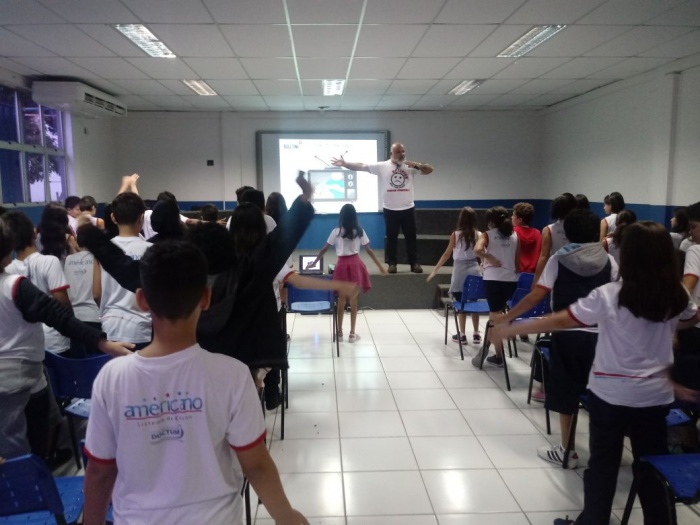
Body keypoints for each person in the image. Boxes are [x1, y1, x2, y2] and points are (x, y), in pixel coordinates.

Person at [82, 241, 308, 525]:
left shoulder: (111, 379)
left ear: (141, 299)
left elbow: (99, 472)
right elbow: (256, 466)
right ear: (205, 297)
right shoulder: (232, 375)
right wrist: (287, 517)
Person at [491, 222, 698, 525]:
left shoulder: (610, 295)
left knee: (603, 466)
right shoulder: (675, 295)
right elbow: (691, 318)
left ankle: (594, 521)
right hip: (654, 397)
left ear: (628, 255)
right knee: (651, 466)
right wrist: (668, 326)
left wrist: (512, 327)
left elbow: (562, 320)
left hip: (610, 396)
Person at [0, 213, 131, 460]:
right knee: (19, 454)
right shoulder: (14, 286)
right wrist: (103, 342)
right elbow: (61, 317)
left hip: (31, 379)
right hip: (17, 381)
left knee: (44, 426)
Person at [496, 209, 617, 468]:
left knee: (566, 391)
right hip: (603, 338)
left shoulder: (558, 260)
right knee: (599, 393)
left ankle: (567, 451)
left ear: (567, 233)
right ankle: (604, 453)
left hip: (567, 337)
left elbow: (536, 296)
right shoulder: (609, 262)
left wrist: (509, 317)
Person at [332, 142, 433, 274]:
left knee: (411, 237)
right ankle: (392, 264)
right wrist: (346, 164)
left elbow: (430, 170)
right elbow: (362, 166)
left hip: (408, 208)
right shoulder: (383, 166)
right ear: (391, 153)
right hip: (390, 209)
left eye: (403, 151)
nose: (401, 154)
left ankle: (414, 263)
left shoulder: (411, 166)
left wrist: (418, 165)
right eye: (398, 152)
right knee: (391, 238)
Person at [307, 204, 387, 342]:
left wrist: (314, 263)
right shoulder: (360, 231)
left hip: (341, 266)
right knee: (354, 300)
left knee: (341, 299)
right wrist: (380, 266)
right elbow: (369, 250)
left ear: (341, 216)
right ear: (354, 216)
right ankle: (352, 333)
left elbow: (324, 249)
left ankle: (339, 333)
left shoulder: (336, 232)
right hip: (356, 265)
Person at [96, 192, 152, 350]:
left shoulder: (102, 250)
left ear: (113, 218)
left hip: (110, 326)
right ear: (141, 218)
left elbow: (96, 293)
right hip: (142, 328)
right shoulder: (153, 250)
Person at [472, 206, 520, 367]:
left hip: (493, 280)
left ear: (491, 221)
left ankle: (491, 349)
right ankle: (497, 354)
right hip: (511, 281)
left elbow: (477, 250)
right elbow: (518, 264)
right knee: (496, 317)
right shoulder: (515, 235)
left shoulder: (487, 234)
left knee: (494, 319)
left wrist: (489, 257)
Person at [427, 206, 482, 344]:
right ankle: (476, 333)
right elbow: (483, 254)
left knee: (461, 303)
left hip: (459, 273)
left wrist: (435, 270)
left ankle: (462, 335)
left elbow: (446, 254)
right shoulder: (479, 234)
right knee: (474, 303)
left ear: (461, 219)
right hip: (475, 271)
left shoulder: (456, 235)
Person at [532, 193, 577, 290]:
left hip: (556, 273)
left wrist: (536, 280)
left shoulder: (549, 230)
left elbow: (544, 256)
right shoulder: (580, 227)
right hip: (576, 272)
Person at [680, 201, 700, 356]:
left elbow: (685, 292)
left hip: (695, 326)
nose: (691, 232)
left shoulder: (695, 251)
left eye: (693, 227)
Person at [511, 202, 541, 274]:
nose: (511, 217)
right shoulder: (537, 233)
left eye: (513, 215)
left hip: (515, 271)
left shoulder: (512, 232)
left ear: (520, 220)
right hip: (532, 273)